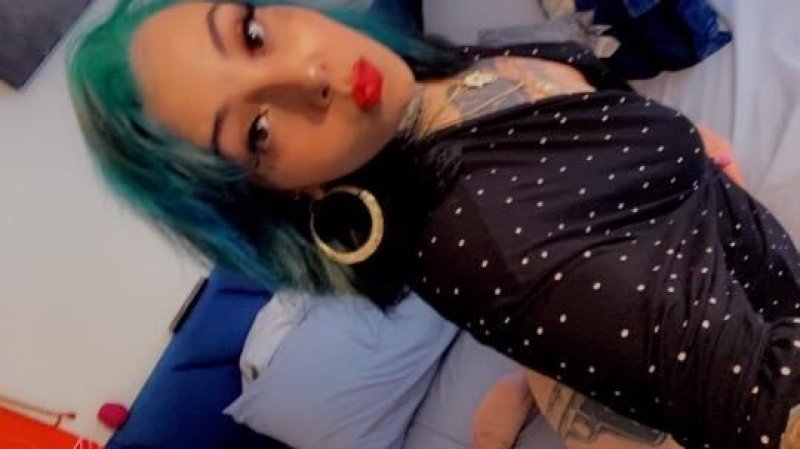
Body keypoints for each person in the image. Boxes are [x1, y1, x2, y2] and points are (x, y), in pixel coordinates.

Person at [68, 1, 800, 448]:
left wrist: (677, 147)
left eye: (252, 33)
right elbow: (773, 419)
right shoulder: (510, 244)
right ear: (279, 195)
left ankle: (542, 380)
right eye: (257, 131)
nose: (309, 76)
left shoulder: (422, 85)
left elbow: (589, 118)